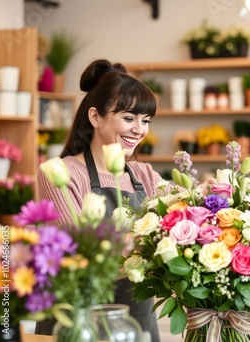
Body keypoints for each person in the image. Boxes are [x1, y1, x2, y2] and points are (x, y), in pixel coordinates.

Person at [36, 59, 162, 341]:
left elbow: (181, 218)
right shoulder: (63, 173)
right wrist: (152, 251)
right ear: (95, 117)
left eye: (146, 121)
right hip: (78, 324)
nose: (139, 130)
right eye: (129, 118)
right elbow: (76, 261)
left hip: (136, 327)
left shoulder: (146, 175)